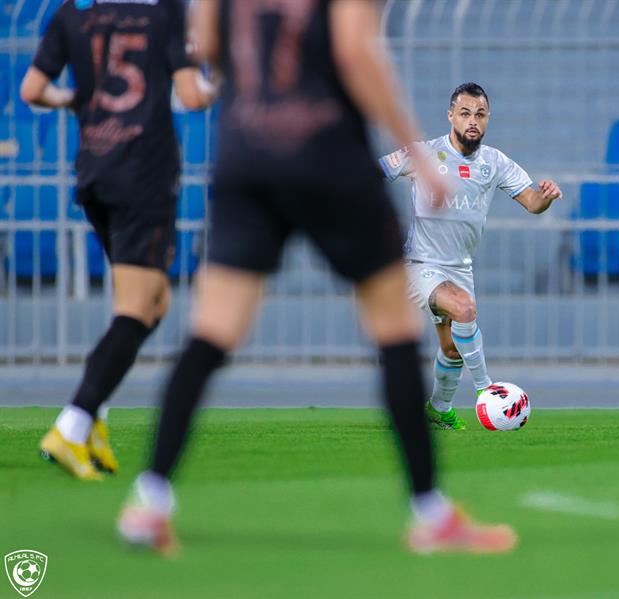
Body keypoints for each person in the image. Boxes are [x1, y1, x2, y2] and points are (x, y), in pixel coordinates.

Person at [117, 0, 517, 556]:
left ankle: (149, 501)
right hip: (327, 158)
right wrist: (422, 158)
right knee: (395, 330)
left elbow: (206, 44)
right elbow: (355, 52)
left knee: (211, 334)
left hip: (247, 157)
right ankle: (430, 514)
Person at [21, 0, 216, 480]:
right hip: (143, 177)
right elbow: (191, 97)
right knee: (136, 309)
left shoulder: (73, 11)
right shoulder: (164, 12)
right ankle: (73, 424)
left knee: (152, 303)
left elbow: (31, 89)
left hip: (94, 173)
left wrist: (73, 101)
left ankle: (93, 421)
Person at [379, 83, 562, 430]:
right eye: (465, 113)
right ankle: (487, 390)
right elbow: (376, 171)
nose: (472, 121)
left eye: (479, 114)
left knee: (452, 351)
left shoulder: (495, 162)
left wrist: (547, 196)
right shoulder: (424, 154)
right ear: (451, 116)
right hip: (420, 264)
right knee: (464, 309)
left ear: (488, 118)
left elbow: (533, 203)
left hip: (459, 268)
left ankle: (438, 408)